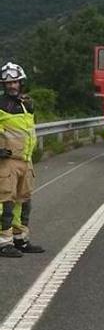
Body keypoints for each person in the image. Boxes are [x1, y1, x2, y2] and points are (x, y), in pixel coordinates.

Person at [0, 62, 43, 257]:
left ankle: (20, 239)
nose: (12, 85)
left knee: (23, 202)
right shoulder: (1, 104)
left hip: (25, 161)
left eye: (15, 82)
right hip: (7, 161)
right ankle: (3, 243)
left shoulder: (26, 103)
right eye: (8, 83)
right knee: (5, 202)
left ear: (21, 82)